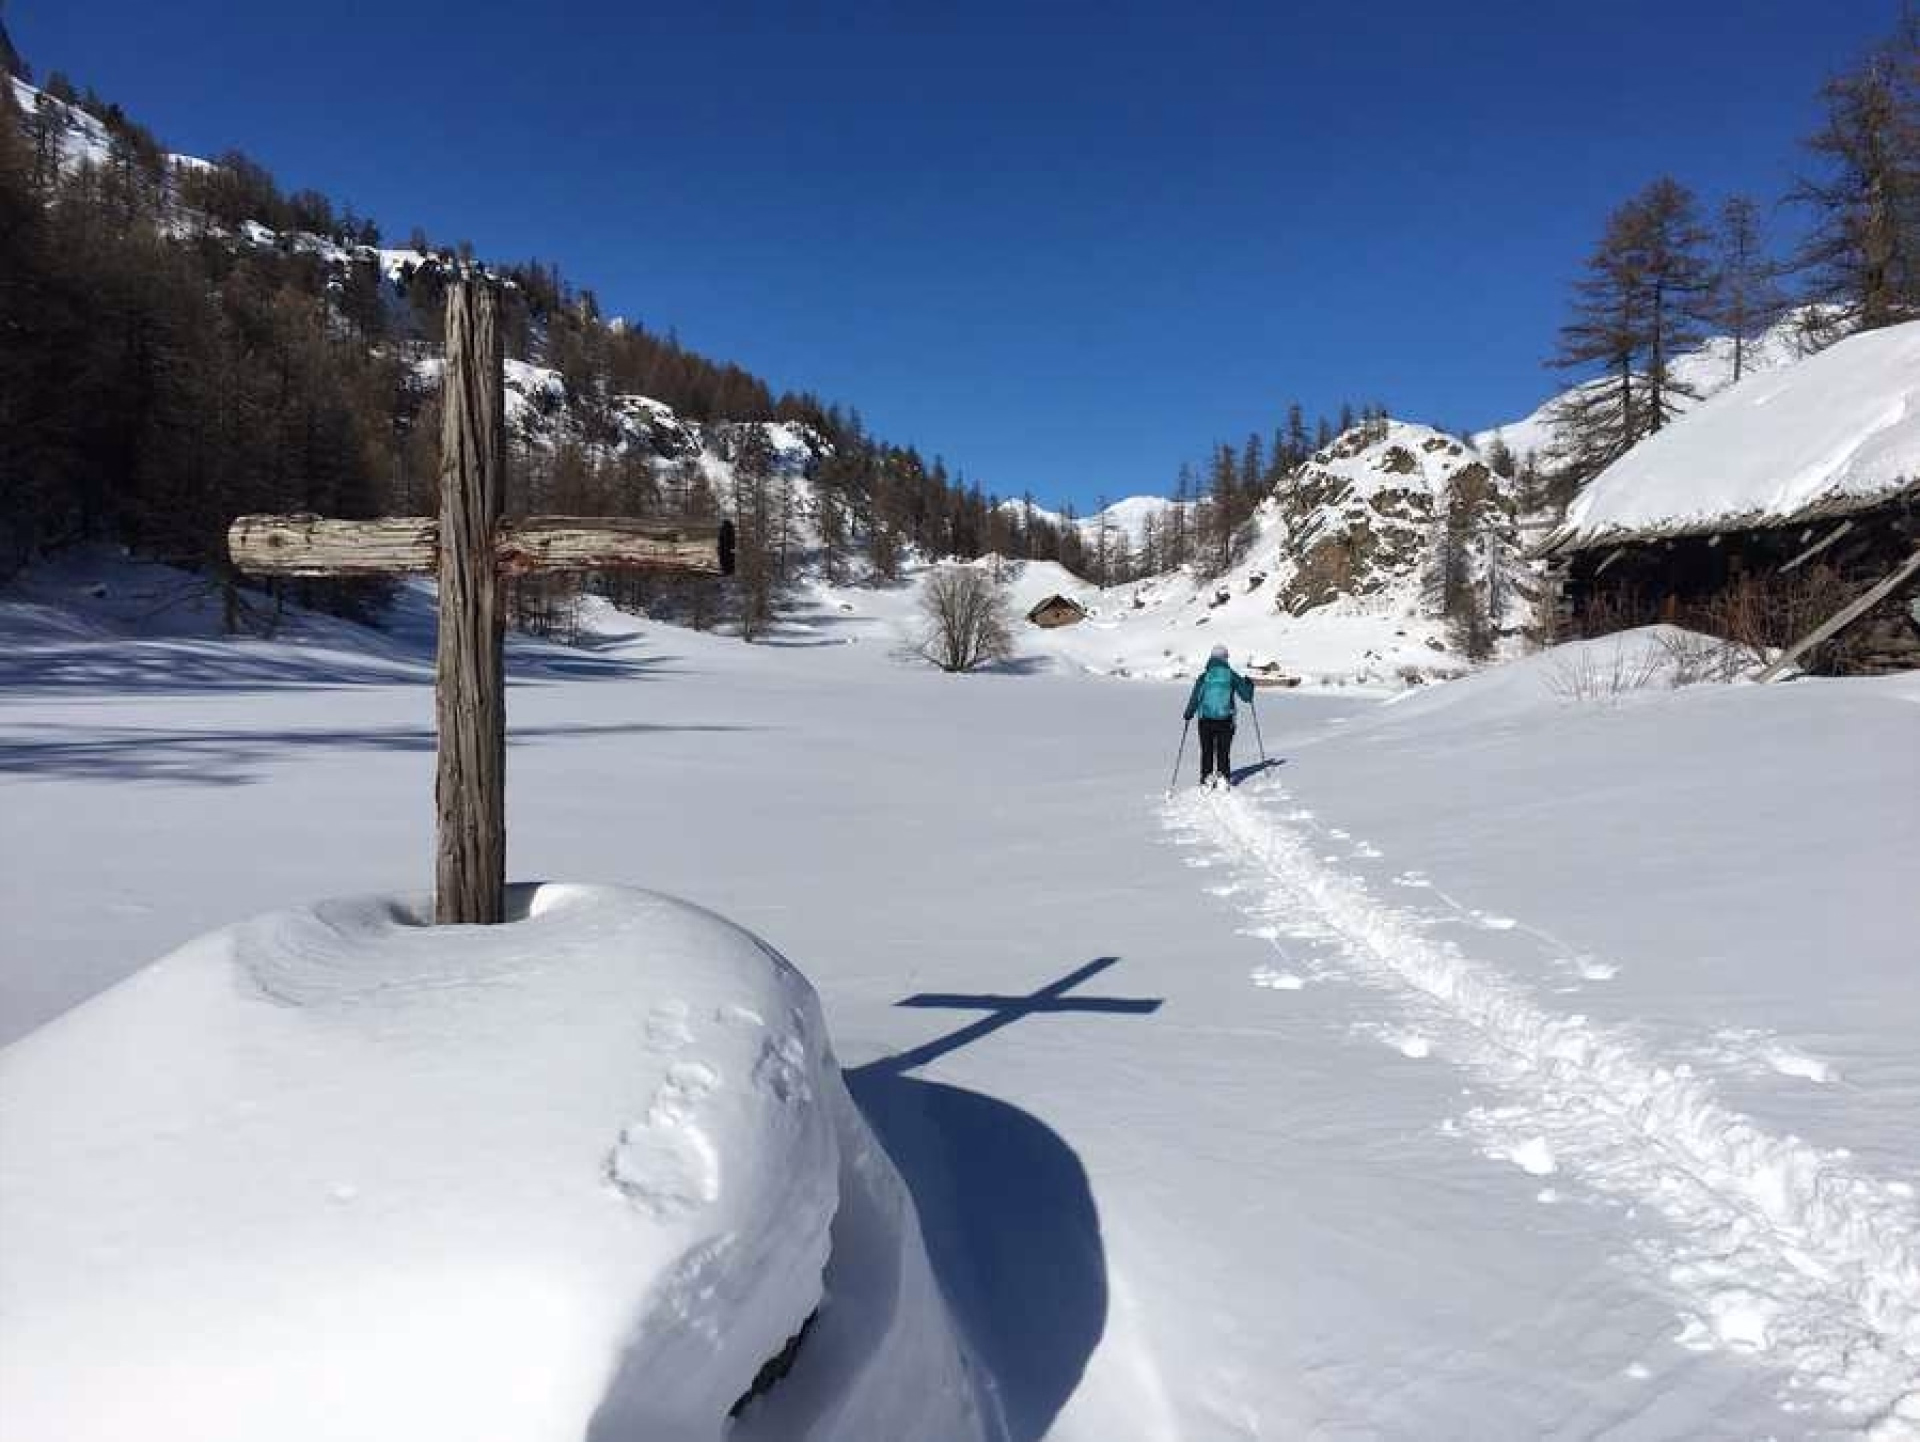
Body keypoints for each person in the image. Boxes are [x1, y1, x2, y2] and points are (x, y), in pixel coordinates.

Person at [1183, 643, 1254, 788]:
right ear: (1225, 658)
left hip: (1205, 720)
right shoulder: (1231, 675)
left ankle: (1206, 778)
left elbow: (1195, 698)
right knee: (1223, 750)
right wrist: (1250, 684)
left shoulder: (1204, 676)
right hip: (1226, 720)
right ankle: (1223, 777)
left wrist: (1188, 714)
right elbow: (1246, 697)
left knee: (1207, 750)